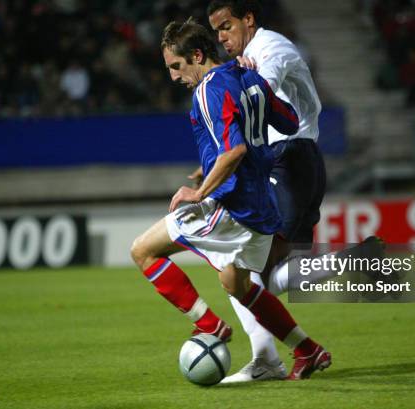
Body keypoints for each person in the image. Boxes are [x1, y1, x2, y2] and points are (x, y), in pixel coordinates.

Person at [130, 18, 331, 381]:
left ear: (196, 54)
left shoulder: (207, 90)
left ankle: (210, 326)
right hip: (261, 209)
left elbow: (234, 148)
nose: (174, 77)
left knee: (142, 251)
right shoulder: (247, 77)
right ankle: (306, 350)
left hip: (229, 205)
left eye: (176, 66)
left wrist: (200, 191)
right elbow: (287, 122)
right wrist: (253, 93)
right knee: (237, 284)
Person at [205, 0, 327, 382]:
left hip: (285, 157)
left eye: (226, 26)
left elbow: (261, 92)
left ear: (249, 19)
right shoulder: (255, 53)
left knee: (239, 269)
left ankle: (266, 359)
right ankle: (352, 264)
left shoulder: (269, 49)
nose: (222, 37)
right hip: (296, 158)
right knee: (275, 275)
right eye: (217, 31)